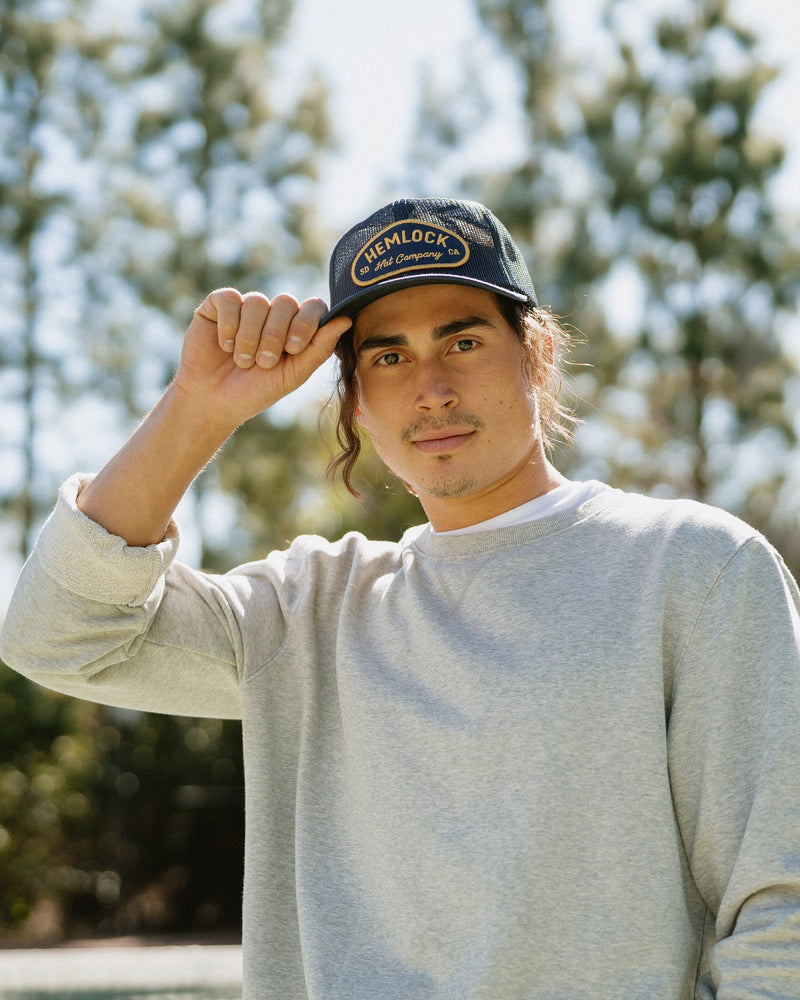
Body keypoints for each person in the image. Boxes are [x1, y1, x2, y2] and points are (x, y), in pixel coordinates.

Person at [1, 198, 799, 1000]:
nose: (432, 388)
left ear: (539, 355)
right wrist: (197, 409)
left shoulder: (695, 569)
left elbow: (781, 908)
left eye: (463, 341)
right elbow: (58, 634)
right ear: (355, 400)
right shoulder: (309, 612)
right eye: (389, 358)